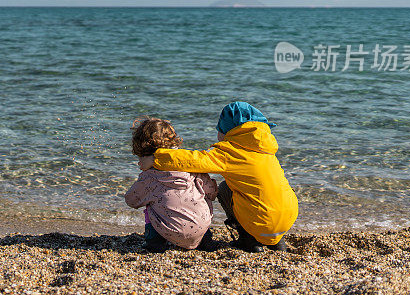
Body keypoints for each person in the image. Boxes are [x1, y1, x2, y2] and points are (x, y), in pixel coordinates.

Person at [139, 102, 298, 252]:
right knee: (267, 190)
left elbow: (194, 160)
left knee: (224, 189)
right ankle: (277, 241)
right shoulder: (265, 150)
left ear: (229, 131)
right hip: (288, 216)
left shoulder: (230, 152)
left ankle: (248, 239)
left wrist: (155, 158)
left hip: (262, 222)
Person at [124, 118, 218, 252]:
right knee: (202, 197)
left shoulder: (149, 177)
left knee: (150, 204)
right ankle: (206, 239)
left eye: (140, 157)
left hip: (171, 231)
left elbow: (131, 200)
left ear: (146, 154)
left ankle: (155, 243)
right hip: (200, 229)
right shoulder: (191, 167)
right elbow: (213, 191)